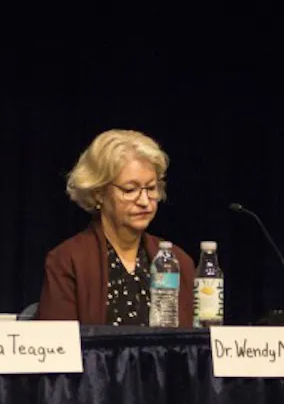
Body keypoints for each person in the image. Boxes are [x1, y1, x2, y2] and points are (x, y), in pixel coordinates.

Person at [38, 129, 196, 326]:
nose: (145, 201)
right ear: (98, 193)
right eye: (130, 190)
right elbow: (58, 348)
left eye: (151, 188)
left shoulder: (179, 261)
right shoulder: (68, 261)